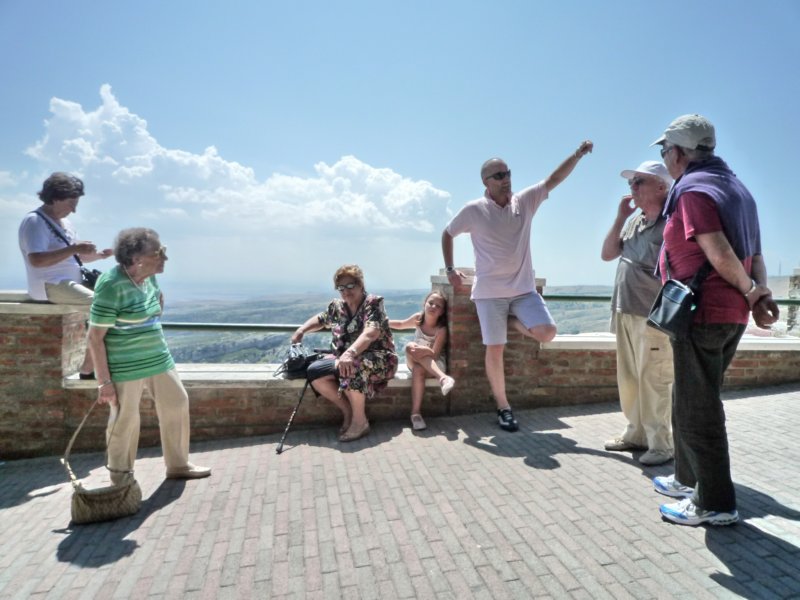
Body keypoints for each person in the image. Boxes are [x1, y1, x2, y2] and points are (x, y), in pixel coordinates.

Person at [650, 114, 779, 526]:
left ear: (679, 152)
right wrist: (757, 292)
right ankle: (687, 479)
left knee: (699, 407)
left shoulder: (694, 190)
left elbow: (718, 250)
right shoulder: (736, 190)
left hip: (702, 312)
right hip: (727, 313)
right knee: (689, 396)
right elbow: (754, 254)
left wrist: (752, 292)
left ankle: (715, 503)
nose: (664, 157)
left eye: (664, 150)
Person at [442, 141, 594, 432]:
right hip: (489, 294)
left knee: (547, 332)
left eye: (508, 173)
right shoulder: (473, 210)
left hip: (523, 290)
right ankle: (504, 408)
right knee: (495, 349)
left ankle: (510, 322)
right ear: (486, 182)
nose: (506, 179)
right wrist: (450, 270)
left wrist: (577, 155)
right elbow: (447, 234)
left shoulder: (523, 202)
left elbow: (554, 179)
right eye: (499, 175)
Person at [87, 228, 211, 483]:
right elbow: (94, 337)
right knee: (125, 420)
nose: (164, 258)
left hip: (158, 358)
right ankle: (121, 478)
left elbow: (157, 301)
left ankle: (178, 465)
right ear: (136, 258)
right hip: (125, 365)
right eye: (158, 253)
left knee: (177, 403)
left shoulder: (149, 278)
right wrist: (104, 382)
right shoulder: (111, 285)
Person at [601, 161, 675, 466]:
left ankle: (661, 444)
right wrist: (620, 218)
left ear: (661, 186)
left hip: (652, 315)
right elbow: (607, 254)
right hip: (625, 309)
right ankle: (636, 434)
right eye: (631, 182)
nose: (632, 187)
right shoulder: (634, 221)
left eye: (639, 182)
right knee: (630, 378)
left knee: (654, 380)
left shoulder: (672, 222)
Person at [18, 173, 113, 378]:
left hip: (69, 282)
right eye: (71, 203)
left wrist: (99, 255)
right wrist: (74, 248)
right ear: (55, 197)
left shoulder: (65, 223)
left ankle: (90, 366)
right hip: (50, 284)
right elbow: (36, 260)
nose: (74, 209)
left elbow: (77, 257)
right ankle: (89, 368)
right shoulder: (34, 222)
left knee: (114, 302)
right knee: (102, 306)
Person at [292, 265, 398, 442]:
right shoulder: (337, 306)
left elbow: (371, 333)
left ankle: (360, 422)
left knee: (351, 366)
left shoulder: (373, 303)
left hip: (379, 358)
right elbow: (321, 319)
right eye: (341, 288)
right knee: (314, 371)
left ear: (360, 284)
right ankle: (348, 411)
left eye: (350, 286)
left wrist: (350, 353)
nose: (346, 291)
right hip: (344, 358)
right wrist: (301, 330)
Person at [389, 291, 455, 431]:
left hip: (435, 365)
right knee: (410, 346)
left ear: (442, 312)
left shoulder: (441, 330)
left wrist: (426, 350)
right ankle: (443, 379)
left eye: (438, 306)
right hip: (414, 359)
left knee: (419, 369)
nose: (433, 306)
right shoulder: (418, 318)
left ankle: (416, 414)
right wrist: (382, 323)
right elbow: (400, 324)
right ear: (424, 304)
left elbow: (435, 355)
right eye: (431, 303)